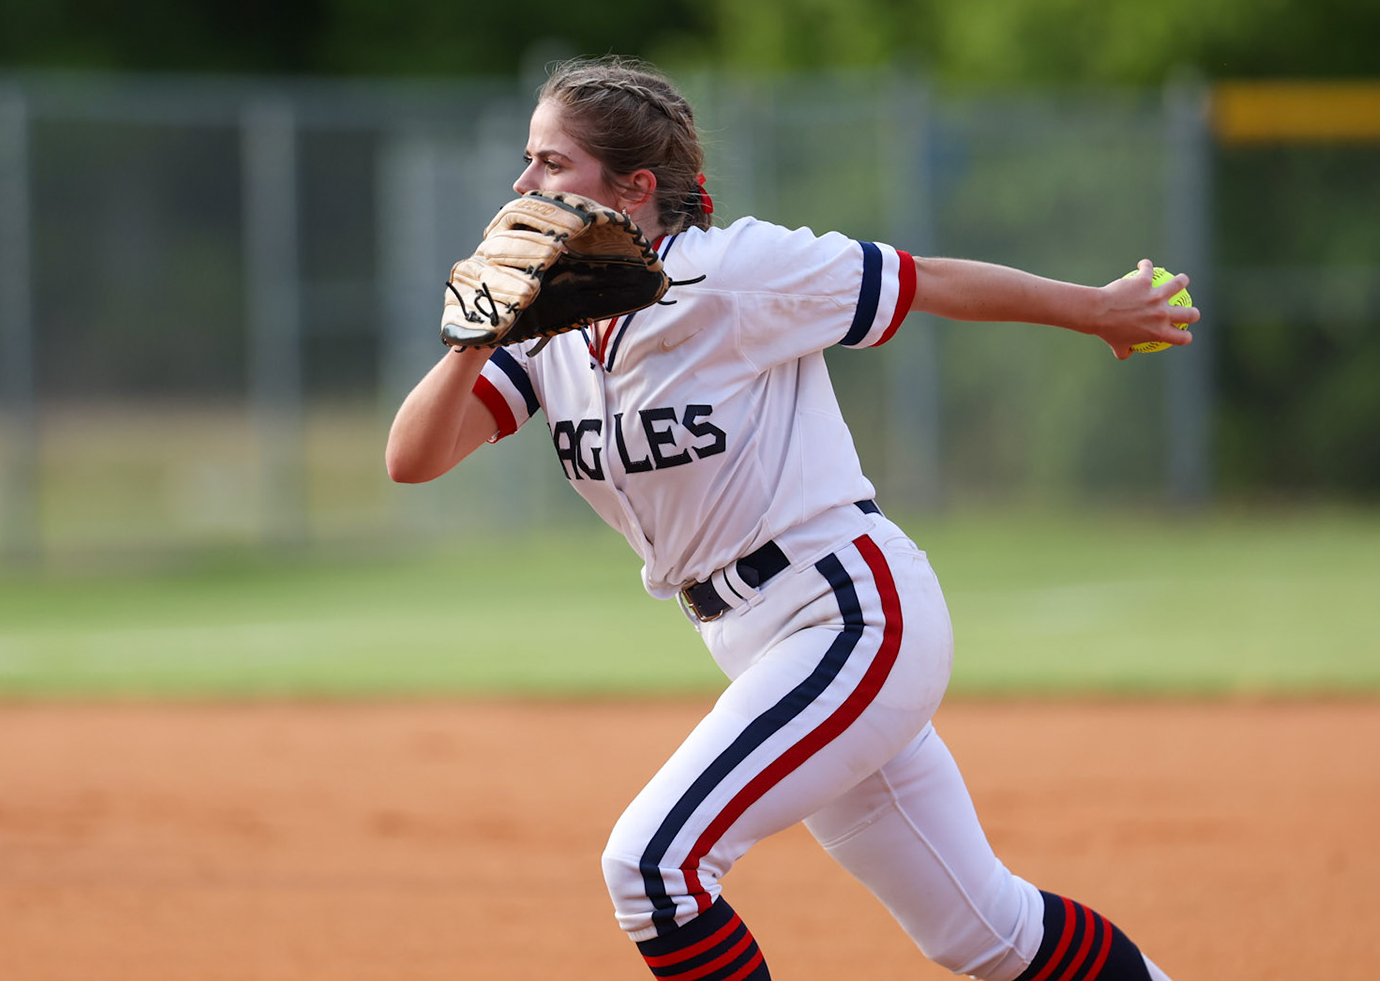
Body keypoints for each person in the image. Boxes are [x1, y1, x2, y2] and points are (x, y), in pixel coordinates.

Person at [385, 57, 1192, 981]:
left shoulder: (735, 273)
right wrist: (477, 337)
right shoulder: (553, 325)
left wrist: (1094, 310)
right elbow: (413, 460)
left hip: (849, 614)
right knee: (985, 933)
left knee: (653, 868)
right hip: (755, 642)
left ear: (636, 188)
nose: (524, 185)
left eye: (551, 162)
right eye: (529, 163)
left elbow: (926, 280)